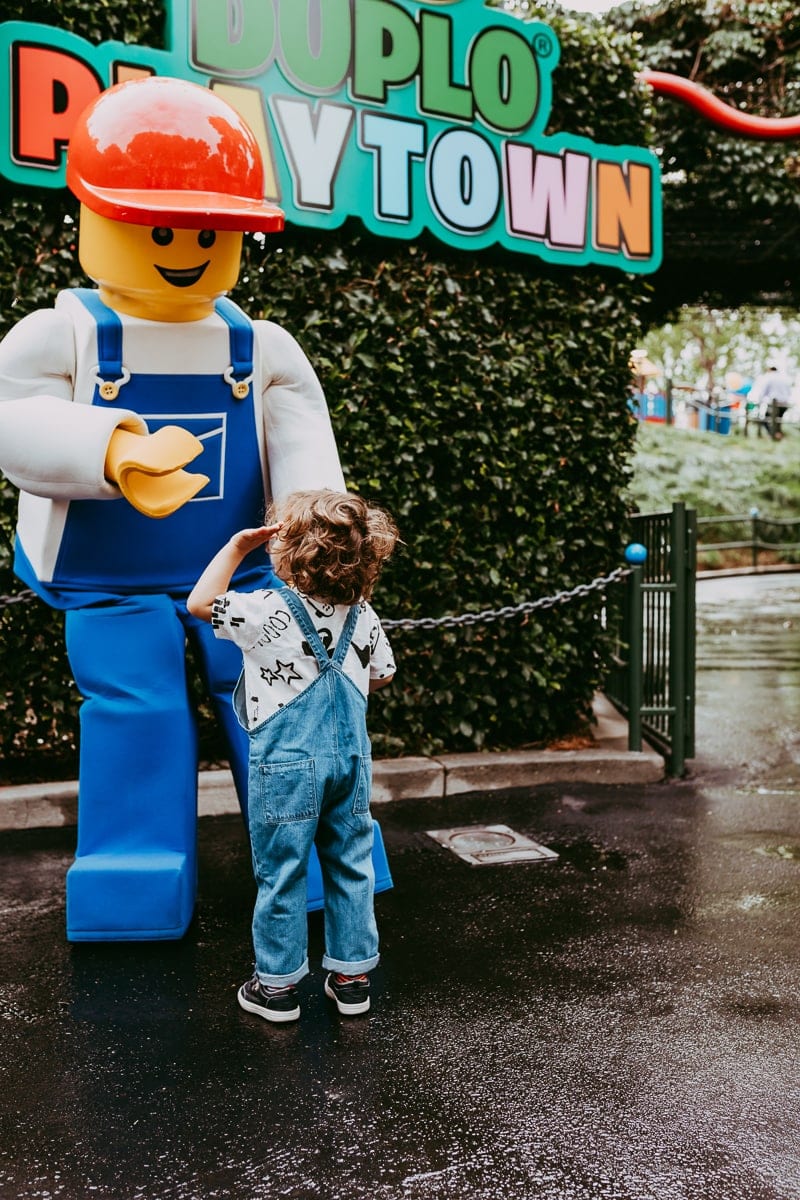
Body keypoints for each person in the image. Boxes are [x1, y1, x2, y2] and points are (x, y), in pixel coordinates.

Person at [0, 76, 397, 942]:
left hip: (252, 571)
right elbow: (13, 423)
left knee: (279, 701)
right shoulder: (55, 336)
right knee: (134, 704)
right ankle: (135, 870)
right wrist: (111, 451)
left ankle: (329, 851)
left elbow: (304, 457)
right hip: (109, 581)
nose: (184, 248)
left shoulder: (262, 348)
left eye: (209, 232)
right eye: (162, 228)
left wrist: (323, 544)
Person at [187, 489, 398, 1022]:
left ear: (289, 552)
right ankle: (351, 979)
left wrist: (236, 547)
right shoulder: (364, 615)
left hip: (285, 766)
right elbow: (383, 675)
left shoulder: (264, 611)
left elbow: (199, 602)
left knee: (281, 870)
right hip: (350, 761)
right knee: (351, 865)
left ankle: (276, 988)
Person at [751, 365, 793, 440]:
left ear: (770, 370)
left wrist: (760, 401)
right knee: (778, 421)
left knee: (765, 419)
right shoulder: (784, 378)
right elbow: (789, 393)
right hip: (784, 404)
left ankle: (773, 435)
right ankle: (778, 435)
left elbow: (763, 392)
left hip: (774, 404)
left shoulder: (769, 378)